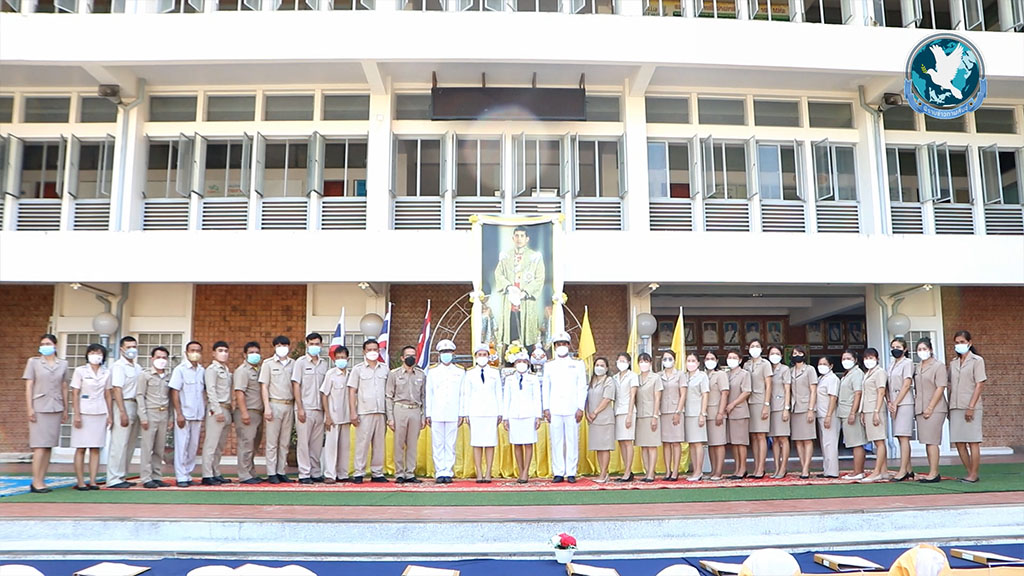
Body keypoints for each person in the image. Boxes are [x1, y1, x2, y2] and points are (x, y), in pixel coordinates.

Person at [22, 333, 69, 493]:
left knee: (49, 446)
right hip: (39, 406)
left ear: (55, 345)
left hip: (55, 406)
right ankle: (36, 481)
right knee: (39, 446)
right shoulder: (34, 362)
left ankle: (42, 479)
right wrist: (30, 408)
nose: (45, 346)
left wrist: (66, 408)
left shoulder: (63, 364)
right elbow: (29, 385)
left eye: (48, 344)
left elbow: (64, 386)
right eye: (43, 344)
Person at [542, 331, 588, 484]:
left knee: (572, 440)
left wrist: (580, 407)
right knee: (556, 441)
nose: (561, 346)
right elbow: (546, 388)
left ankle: (571, 472)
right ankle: (558, 472)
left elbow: (582, 387)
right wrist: (546, 408)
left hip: (572, 408)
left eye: (564, 343)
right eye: (558, 344)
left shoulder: (578, 364)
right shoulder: (549, 365)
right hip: (555, 408)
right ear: (555, 347)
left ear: (569, 345)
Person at [493, 225, 546, 349]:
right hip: (510, 303)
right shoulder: (505, 256)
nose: (519, 239)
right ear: (513, 238)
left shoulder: (535, 257)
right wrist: (508, 287)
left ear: (527, 239)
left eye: (522, 236)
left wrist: (525, 292)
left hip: (526, 302)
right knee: (510, 334)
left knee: (527, 336)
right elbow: (498, 274)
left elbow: (540, 278)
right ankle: (509, 358)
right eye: (517, 236)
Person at [69, 344, 111, 491]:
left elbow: (107, 394)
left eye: (99, 353)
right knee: (81, 448)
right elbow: (75, 393)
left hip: (100, 411)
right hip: (84, 411)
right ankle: (80, 481)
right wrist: (77, 414)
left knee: (95, 448)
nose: (96, 356)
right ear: (87, 354)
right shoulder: (80, 371)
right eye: (92, 352)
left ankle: (93, 481)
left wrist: (110, 415)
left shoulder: (106, 372)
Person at [348, 338, 390, 483]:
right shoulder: (358, 369)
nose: (372, 352)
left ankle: (377, 472)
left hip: (381, 411)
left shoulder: (385, 369)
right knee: (362, 443)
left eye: (375, 349)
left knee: (379, 444)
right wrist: (353, 412)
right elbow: (352, 391)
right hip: (364, 411)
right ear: (364, 352)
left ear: (379, 351)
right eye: (369, 349)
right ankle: (359, 472)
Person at [425, 339, 465, 484]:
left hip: (453, 412)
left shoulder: (460, 371)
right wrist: (428, 413)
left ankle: (448, 471)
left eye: (448, 352)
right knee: (437, 443)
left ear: (453, 353)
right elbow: (429, 393)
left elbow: (463, 394)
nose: (446, 354)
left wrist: (461, 413)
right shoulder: (432, 371)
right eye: (443, 352)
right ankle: (439, 471)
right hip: (437, 412)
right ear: (439, 354)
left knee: (450, 443)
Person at [463, 344, 503, 483]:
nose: (482, 357)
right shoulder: (469, 373)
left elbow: (498, 393)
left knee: (490, 443)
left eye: (484, 355)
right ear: (475, 357)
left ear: (488, 356)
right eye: (479, 355)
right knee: (477, 443)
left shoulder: (494, 373)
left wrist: (500, 412)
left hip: (491, 411)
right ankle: (479, 472)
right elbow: (466, 394)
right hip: (475, 412)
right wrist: (466, 413)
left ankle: (488, 472)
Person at [386, 345, 427, 484]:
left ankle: (410, 473)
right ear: (402, 358)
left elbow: (423, 397)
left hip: (415, 410)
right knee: (398, 443)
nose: (411, 358)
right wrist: (390, 418)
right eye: (408, 355)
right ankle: (399, 473)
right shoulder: (394, 374)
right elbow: (389, 396)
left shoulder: (421, 374)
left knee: (412, 444)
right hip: (400, 409)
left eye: (413, 355)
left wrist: (423, 416)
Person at [949, 330, 985, 484]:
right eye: (957, 342)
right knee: (959, 441)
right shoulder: (953, 363)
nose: (959, 345)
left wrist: (971, 406)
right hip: (955, 405)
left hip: (971, 405)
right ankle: (970, 472)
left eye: (962, 342)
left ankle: (974, 474)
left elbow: (979, 384)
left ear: (969, 343)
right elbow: (951, 385)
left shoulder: (977, 360)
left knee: (973, 441)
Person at [106, 335, 142, 489]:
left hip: (136, 404)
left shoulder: (137, 367)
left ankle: (122, 476)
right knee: (119, 443)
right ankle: (113, 478)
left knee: (130, 443)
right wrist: (122, 412)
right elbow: (116, 389)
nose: (132, 350)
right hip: (123, 404)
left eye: (134, 347)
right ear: (121, 349)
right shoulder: (118, 366)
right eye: (128, 347)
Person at [292, 332, 328, 484]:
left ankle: (315, 472)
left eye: (317, 344)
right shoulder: (300, 363)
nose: (314, 346)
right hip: (305, 408)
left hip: (319, 409)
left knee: (316, 444)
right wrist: (300, 407)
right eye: (312, 344)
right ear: (307, 344)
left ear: (321, 345)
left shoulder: (324, 364)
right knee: (303, 443)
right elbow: (296, 385)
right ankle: (304, 474)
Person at [260, 335, 295, 484]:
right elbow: (264, 386)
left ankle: (281, 471)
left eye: (285, 345)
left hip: (289, 404)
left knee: (285, 442)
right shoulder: (268, 364)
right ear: (274, 347)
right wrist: (267, 407)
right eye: (279, 345)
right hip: (274, 404)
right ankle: (271, 472)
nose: (282, 348)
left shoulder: (294, 364)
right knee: (272, 442)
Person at [170, 340, 205, 488]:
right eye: (192, 350)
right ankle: (181, 476)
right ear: (186, 353)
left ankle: (188, 474)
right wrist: (179, 413)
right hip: (184, 413)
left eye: (198, 351)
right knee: (182, 445)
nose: (195, 353)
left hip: (198, 413)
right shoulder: (180, 370)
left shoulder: (202, 371)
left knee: (193, 446)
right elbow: (175, 391)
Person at [914, 337, 947, 483]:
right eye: (919, 349)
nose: (922, 352)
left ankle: (934, 473)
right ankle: (931, 471)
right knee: (927, 441)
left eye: (924, 349)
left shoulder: (938, 366)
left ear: (931, 350)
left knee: (932, 441)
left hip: (935, 408)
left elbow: (940, 387)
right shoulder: (917, 367)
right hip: (920, 407)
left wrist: (930, 407)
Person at [138, 346, 172, 489]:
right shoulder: (145, 375)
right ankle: (146, 477)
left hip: (164, 413)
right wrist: (143, 416)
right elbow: (140, 395)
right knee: (147, 447)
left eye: (164, 358)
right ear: (152, 359)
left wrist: (171, 418)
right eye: (158, 357)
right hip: (150, 413)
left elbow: (171, 398)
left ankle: (157, 476)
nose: (161, 360)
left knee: (159, 447)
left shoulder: (169, 376)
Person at [201, 341, 233, 486]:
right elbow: (211, 390)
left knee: (220, 445)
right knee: (211, 444)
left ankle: (216, 472)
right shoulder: (212, 369)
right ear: (213, 353)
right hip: (216, 409)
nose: (224, 353)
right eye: (220, 350)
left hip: (226, 408)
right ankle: (207, 474)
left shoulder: (226, 370)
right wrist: (217, 410)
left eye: (226, 351)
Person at [233, 341, 265, 485]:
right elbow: (239, 392)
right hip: (247, 412)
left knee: (253, 445)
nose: (255, 355)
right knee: (246, 444)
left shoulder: (259, 370)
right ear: (244, 355)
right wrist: (244, 413)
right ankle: (244, 474)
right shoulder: (242, 371)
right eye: (251, 353)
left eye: (257, 352)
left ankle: (251, 472)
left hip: (258, 412)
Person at [321, 346, 352, 484]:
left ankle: (342, 474)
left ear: (348, 358)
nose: (341, 360)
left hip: (347, 416)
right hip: (333, 416)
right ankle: (330, 474)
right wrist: (327, 416)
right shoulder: (331, 374)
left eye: (343, 357)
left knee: (344, 447)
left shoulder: (351, 375)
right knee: (331, 447)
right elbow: (324, 394)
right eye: (338, 358)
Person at [859, 348, 890, 483]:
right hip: (868, 409)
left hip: (875, 409)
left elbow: (881, 392)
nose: (868, 361)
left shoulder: (880, 372)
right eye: (866, 358)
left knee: (879, 441)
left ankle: (877, 471)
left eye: (871, 358)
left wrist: (876, 411)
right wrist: (862, 411)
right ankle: (883, 471)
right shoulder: (867, 373)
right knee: (876, 440)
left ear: (877, 359)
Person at [887, 337, 915, 482]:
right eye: (893, 347)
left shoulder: (907, 363)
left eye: (898, 347)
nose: (895, 350)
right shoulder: (891, 364)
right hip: (894, 402)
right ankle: (909, 468)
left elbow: (906, 384)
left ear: (904, 349)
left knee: (904, 436)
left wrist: (896, 402)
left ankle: (903, 470)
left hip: (904, 402)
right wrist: (890, 401)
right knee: (899, 436)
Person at [743, 339, 772, 479]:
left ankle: (761, 467)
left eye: (757, 346)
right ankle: (756, 467)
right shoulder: (746, 364)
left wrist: (766, 404)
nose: (754, 348)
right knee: (754, 436)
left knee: (761, 435)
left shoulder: (765, 364)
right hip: (749, 402)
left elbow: (769, 385)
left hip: (761, 402)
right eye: (752, 346)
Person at [583, 357, 614, 484]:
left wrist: (595, 412)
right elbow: (586, 398)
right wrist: (587, 413)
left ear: (606, 368)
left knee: (604, 447)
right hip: (593, 420)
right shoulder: (591, 381)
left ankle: (604, 473)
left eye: (602, 365)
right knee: (598, 447)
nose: (599, 367)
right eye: (597, 365)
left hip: (604, 418)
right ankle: (602, 472)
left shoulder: (609, 381)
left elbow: (607, 399)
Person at [838, 350, 867, 481]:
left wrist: (853, 412)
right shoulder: (848, 374)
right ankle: (857, 470)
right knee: (853, 442)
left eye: (848, 358)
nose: (845, 361)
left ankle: (858, 471)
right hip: (844, 411)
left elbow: (858, 393)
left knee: (857, 443)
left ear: (855, 360)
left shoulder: (857, 374)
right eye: (843, 358)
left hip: (851, 411)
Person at [634, 353, 663, 483]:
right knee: (643, 446)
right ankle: (647, 472)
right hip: (640, 415)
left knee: (652, 445)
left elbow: (657, 398)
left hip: (651, 414)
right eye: (641, 362)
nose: (643, 364)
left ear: (650, 363)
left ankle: (651, 473)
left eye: (646, 361)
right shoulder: (636, 378)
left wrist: (655, 416)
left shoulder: (655, 378)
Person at [789, 347, 817, 479]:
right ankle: (802, 466)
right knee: (798, 440)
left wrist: (811, 409)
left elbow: (813, 390)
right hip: (795, 408)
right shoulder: (790, 371)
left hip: (806, 407)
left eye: (799, 353)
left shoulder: (810, 370)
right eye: (794, 353)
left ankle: (806, 468)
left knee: (807, 439)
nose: (797, 355)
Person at [612, 352, 639, 482]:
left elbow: (633, 396)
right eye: (619, 360)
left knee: (628, 441)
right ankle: (626, 470)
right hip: (617, 411)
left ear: (628, 363)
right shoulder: (615, 377)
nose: (621, 363)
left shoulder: (632, 376)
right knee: (621, 442)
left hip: (628, 411)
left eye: (623, 361)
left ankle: (628, 472)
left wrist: (629, 414)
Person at [724, 350, 751, 479]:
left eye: (734, 357)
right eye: (729, 357)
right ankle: (737, 468)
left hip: (739, 410)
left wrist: (733, 404)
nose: (731, 359)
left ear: (740, 360)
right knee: (733, 442)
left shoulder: (744, 374)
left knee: (741, 442)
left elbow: (746, 392)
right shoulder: (726, 374)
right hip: (729, 412)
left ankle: (743, 468)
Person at [658, 350, 684, 482]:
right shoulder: (659, 375)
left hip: (676, 411)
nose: (667, 361)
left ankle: (675, 471)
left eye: (669, 358)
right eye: (665, 359)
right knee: (666, 442)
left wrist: (678, 412)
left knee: (675, 442)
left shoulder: (680, 374)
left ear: (674, 360)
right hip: (663, 411)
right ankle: (668, 470)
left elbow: (683, 394)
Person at [683, 353, 709, 482]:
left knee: (698, 443)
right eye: (688, 360)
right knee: (692, 443)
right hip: (687, 414)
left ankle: (699, 471)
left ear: (698, 363)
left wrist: (702, 413)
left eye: (693, 360)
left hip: (697, 413)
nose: (690, 363)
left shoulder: (702, 376)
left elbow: (705, 395)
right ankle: (695, 470)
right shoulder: (684, 376)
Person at [704, 351, 730, 481]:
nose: (709, 361)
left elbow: (724, 393)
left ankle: (719, 471)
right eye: (707, 358)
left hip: (717, 413)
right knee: (711, 444)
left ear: (717, 360)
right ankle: (713, 470)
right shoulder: (704, 375)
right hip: (707, 413)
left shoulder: (720, 374)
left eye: (712, 358)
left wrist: (721, 412)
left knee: (719, 443)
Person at [767, 345, 792, 479]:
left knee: (783, 438)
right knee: (774, 439)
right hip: (770, 408)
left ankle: (783, 467)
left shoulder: (784, 369)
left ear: (781, 356)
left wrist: (786, 408)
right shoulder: (768, 368)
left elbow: (787, 389)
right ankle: (776, 467)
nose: (774, 356)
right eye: (772, 353)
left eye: (777, 353)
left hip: (781, 406)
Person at [816, 356, 840, 479]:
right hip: (821, 414)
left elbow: (833, 398)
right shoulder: (821, 378)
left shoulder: (832, 379)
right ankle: (827, 470)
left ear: (831, 366)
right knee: (825, 443)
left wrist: (828, 415)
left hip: (829, 415)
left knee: (830, 443)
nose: (822, 366)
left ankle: (832, 471)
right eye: (820, 364)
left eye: (825, 364)